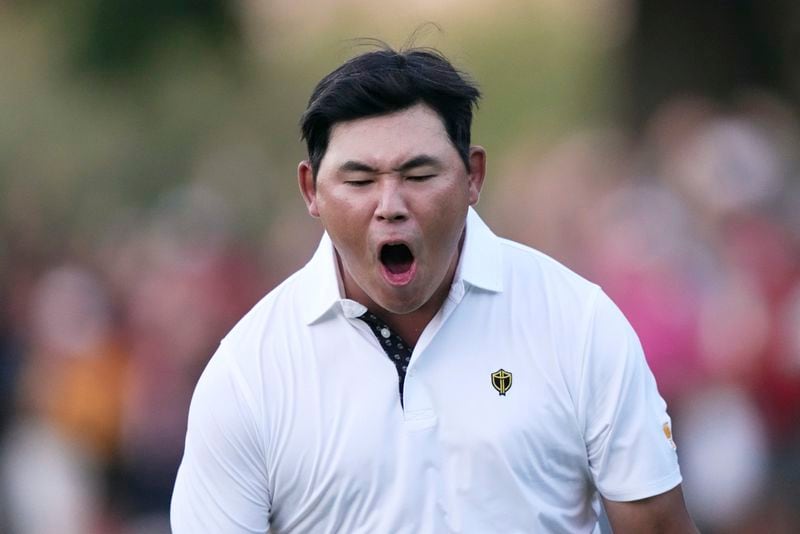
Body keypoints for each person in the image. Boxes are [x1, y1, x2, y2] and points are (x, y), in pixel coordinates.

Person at [170, 45, 698, 533]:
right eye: (359, 181)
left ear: (472, 176)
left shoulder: (577, 323)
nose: (391, 204)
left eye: (419, 175)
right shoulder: (249, 372)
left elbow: (657, 523)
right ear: (312, 190)